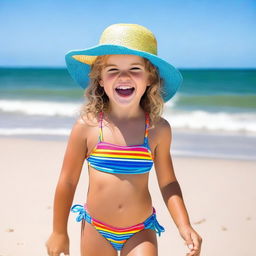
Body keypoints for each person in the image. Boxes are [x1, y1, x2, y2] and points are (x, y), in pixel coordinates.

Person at [46, 23, 202, 256]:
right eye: (112, 70)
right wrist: (59, 232)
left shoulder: (158, 130)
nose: (124, 76)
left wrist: (184, 224)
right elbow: (67, 182)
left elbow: (168, 182)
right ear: (99, 79)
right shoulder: (87, 127)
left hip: (140, 230)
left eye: (135, 68)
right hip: (97, 228)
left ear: (150, 78)